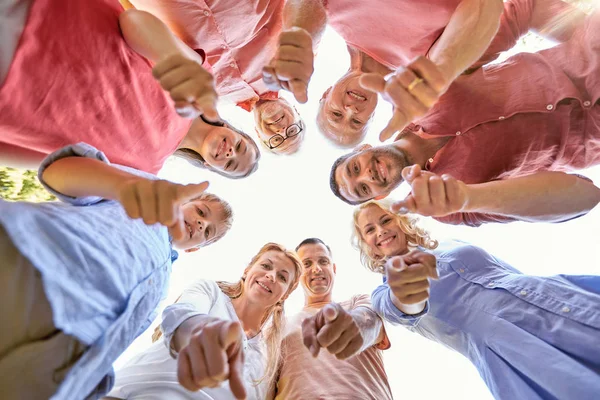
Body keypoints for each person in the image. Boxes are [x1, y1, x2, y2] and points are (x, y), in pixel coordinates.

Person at [0, 142, 234, 399]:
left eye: (208, 231)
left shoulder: (162, 288)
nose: (201, 223)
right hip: (28, 263)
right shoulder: (144, 190)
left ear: (195, 249)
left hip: (58, 364)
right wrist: (123, 185)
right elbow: (57, 172)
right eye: (201, 211)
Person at [330, 7, 600, 226]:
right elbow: (585, 197)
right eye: (363, 189)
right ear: (382, 194)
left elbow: (518, 14)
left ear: (363, 149)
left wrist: (582, 32)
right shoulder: (445, 207)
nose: (367, 176)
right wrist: (468, 198)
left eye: (355, 168)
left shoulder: (415, 92)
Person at [352, 200, 600, 400]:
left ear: (401, 222)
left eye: (385, 220)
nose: (381, 230)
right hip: (511, 345)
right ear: (368, 246)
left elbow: (507, 272)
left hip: (549, 297)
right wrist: (407, 290)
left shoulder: (449, 244)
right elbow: (403, 307)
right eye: (370, 230)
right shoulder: (383, 294)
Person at [0, 0, 260, 178]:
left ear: (208, 165)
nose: (230, 152)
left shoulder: (141, 171)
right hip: (44, 15)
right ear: (232, 129)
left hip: (10, 97)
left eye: (229, 164)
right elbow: (132, 20)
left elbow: (49, 160)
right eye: (240, 147)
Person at [263, 0, 513, 146]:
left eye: (336, 113)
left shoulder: (333, 17)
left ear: (327, 93)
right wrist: (443, 71)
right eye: (357, 122)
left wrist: (300, 35)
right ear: (373, 114)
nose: (351, 110)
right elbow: (486, 7)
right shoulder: (426, 62)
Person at [106, 242, 302, 400]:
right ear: (247, 270)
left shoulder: (269, 356)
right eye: (266, 266)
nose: (271, 276)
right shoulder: (210, 292)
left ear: (285, 295)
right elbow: (182, 314)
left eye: (282, 277)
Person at [124, 0, 306, 155]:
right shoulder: (294, 57)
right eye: (293, 131)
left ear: (258, 134)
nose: (281, 130)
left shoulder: (209, 98)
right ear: (297, 112)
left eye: (276, 140)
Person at [269, 238, 392, 399]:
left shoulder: (357, 303)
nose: (317, 269)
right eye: (307, 264)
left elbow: (369, 326)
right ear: (297, 275)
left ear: (333, 268)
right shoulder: (280, 326)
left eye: (323, 261)